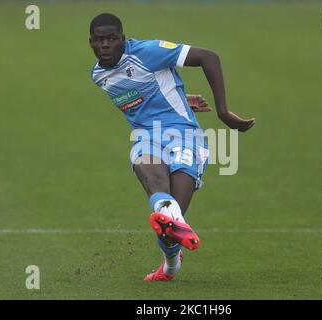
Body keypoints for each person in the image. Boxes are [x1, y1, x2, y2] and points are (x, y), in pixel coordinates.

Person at [89, 13, 255, 281]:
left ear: (123, 39)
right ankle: (174, 232)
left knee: (169, 225)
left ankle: (170, 263)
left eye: (111, 39)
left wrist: (223, 112)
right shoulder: (99, 75)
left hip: (185, 135)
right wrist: (180, 96)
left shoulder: (148, 52)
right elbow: (141, 95)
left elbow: (208, 57)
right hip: (146, 137)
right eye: (99, 40)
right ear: (91, 43)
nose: (105, 45)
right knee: (157, 187)